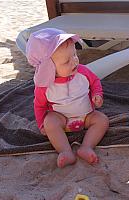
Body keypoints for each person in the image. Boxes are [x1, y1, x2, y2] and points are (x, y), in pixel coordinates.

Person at [26, 28, 109, 168]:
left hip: (86, 116)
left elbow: (95, 82)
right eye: (66, 61)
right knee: (50, 122)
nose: (75, 61)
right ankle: (65, 151)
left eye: (75, 55)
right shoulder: (45, 86)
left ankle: (87, 147)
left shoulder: (83, 72)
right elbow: (39, 105)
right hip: (61, 119)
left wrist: (97, 94)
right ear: (49, 68)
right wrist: (41, 124)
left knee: (102, 120)